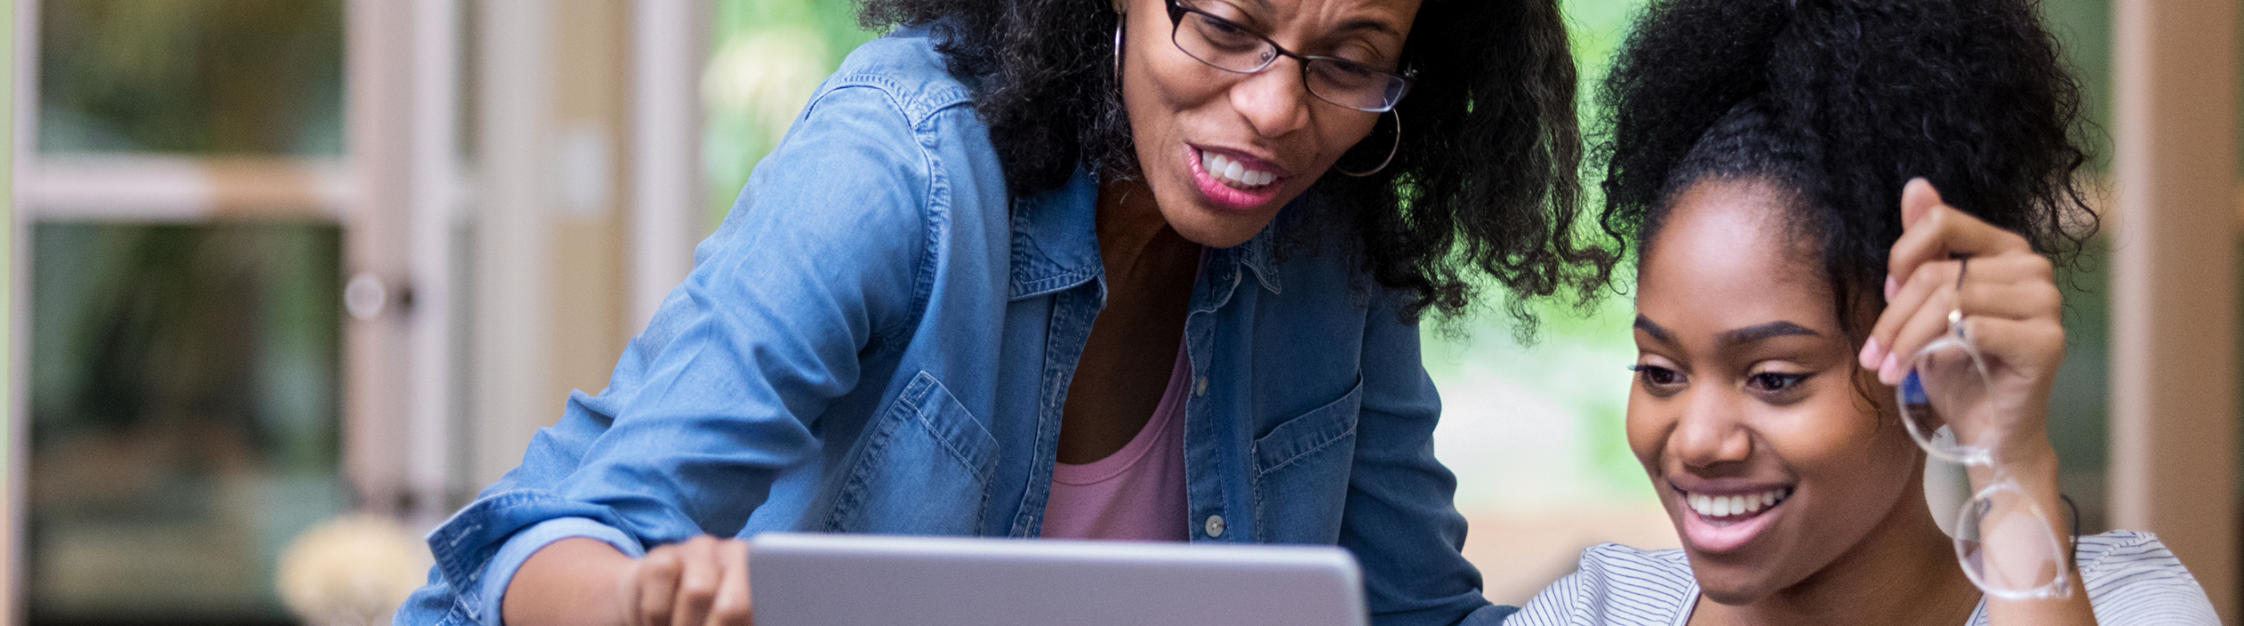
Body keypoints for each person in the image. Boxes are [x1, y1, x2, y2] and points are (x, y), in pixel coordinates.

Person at [394, 0, 1609, 624]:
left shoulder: (1331, 236)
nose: (1277, 110)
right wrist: (644, 600)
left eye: (1348, 58)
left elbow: (1414, 616)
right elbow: (540, 539)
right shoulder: (898, 172)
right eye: (1227, 27)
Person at [1506, 0, 2219, 624]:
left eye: (1774, 378)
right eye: (1661, 372)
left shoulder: (2121, 606)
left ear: (1928, 368)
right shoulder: (1596, 610)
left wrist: (2011, 458)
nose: (1696, 440)